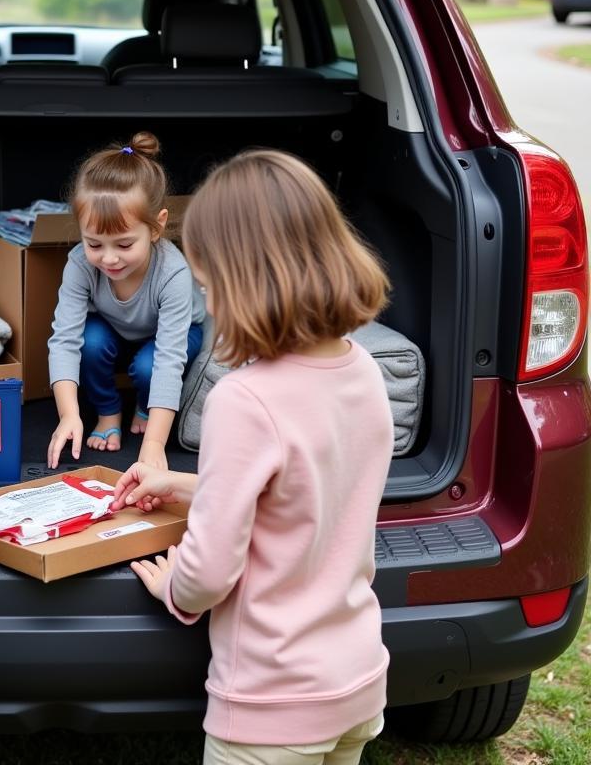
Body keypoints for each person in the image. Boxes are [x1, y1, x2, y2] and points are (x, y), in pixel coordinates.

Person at [112, 149, 393, 765]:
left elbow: (211, 570)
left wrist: (175, 590)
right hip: (357, 682)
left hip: (272, 708)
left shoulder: (243, 398)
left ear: (248, 282)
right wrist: (186, 486)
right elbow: (310, 490)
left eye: (210, 287)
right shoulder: (365, 371)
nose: (207, 307)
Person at [46, 132, 205, 471]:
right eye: (94, 243)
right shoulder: (79, 264)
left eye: (124, 244)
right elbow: (64, 341)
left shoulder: (173, 272)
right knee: (89, 340)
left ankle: (146, 405)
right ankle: (108, 410)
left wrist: (153, 446)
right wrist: (69, 415)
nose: (109, 258)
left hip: (174, 336)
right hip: (116, 329)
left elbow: (169, 359)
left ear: (157, 227)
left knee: (150, 366)